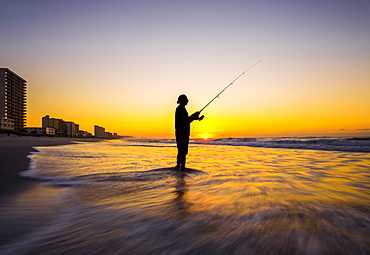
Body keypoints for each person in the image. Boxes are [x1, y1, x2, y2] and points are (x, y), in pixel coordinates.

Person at [175, 94, 202, 171]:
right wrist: (194, 115)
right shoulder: (180, 109)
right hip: (182, 133)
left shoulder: (181, 109)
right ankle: (182, 170)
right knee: (183, 152)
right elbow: (186, 121)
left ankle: (178, 168)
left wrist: (195, 118)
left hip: (181, 133)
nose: (187, 100)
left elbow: (187, 120)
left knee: (180, 151)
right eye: (186, 99)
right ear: (182, 100)